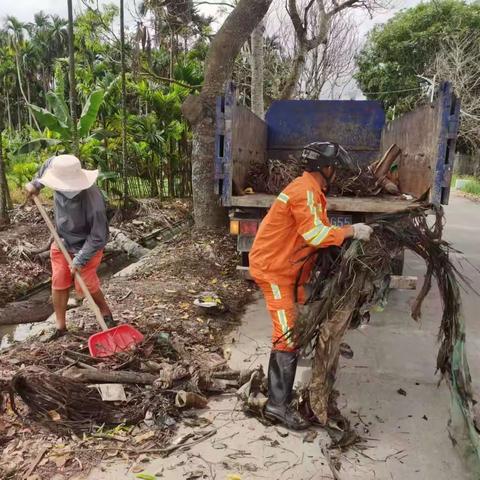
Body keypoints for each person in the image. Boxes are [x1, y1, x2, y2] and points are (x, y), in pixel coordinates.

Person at [249, 142, 373, 430]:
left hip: (288, 269)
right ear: (325, 168)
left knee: (296, 323)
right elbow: (316, 234)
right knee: (285, 334)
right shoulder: (304, 192)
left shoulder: (312, 191)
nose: (336, 172)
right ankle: (277, 406)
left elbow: (316, 233)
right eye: (334, 167)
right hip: (274, 270)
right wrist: (351, 231)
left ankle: (279, 392)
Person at [25, 154, 114, 338]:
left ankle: (105, 313)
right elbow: (46, 166)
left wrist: (79, 260)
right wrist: (35, 184)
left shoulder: (93, 200)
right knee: (59, 280)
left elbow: (98, 236)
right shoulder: (56, 166)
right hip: (62, 240)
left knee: (87, 282)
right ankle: (60, 327)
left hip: (88, 244)